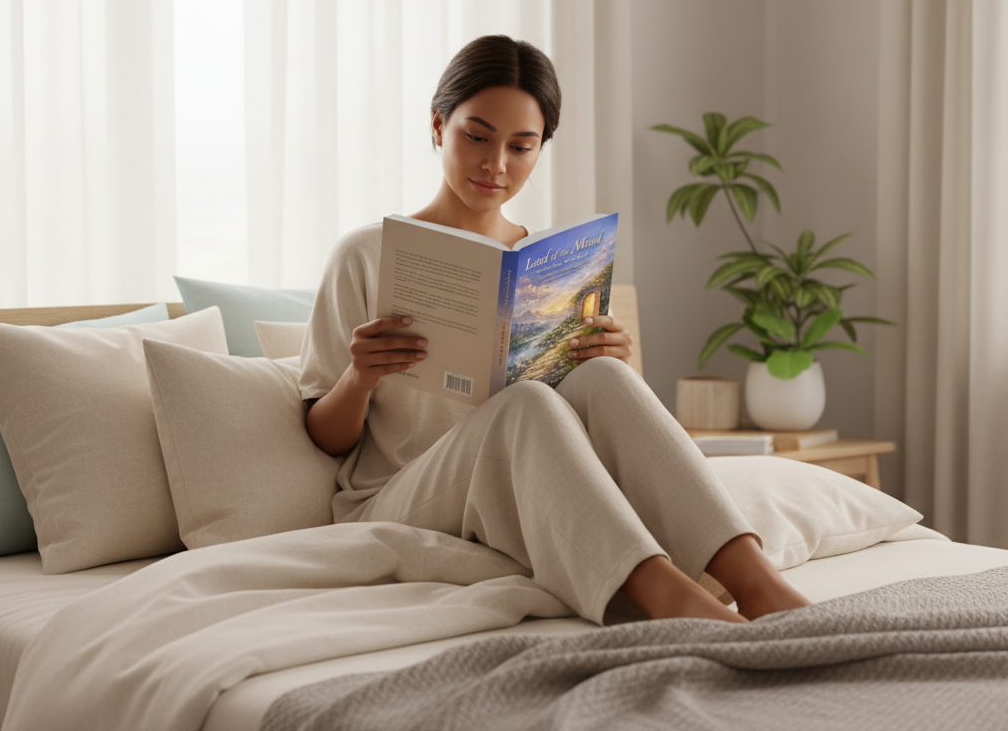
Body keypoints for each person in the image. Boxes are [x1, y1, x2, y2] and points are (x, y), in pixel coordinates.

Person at [299, 35, 810, 625]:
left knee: (598, 380)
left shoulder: (551, 266)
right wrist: (360, 378)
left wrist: (611, 359)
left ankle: (758, 582)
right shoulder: (366, 254)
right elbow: (322, 435)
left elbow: (593, 429)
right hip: (400, 497)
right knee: (526, 406)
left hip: (520, 486)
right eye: (477, 136)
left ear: (541, 149)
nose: (497, 165)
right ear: (439, 126)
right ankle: (669, 597)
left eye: (522, 146)